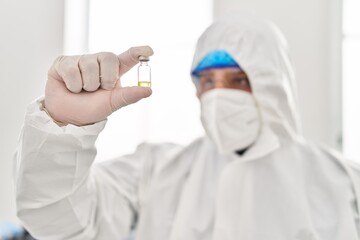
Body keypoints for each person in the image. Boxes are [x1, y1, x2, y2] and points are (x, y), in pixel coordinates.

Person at [14, 14, 360, 240]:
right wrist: (64, 127)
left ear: (274, 86)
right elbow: (55, 217)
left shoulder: (343, 181)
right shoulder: (158, 170)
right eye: (207, 81)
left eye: (237, 79)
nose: (219, 95)